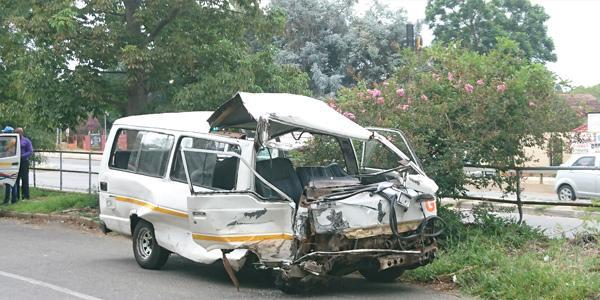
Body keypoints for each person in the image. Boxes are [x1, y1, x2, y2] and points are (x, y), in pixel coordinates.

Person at [15, 128, 33, 200]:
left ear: (21, 133)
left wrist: (22, 156)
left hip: (24, 162)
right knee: (16, 179)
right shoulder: (13, 140)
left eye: (17, 133)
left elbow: (30, 151)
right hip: (15, 162)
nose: (16, 134)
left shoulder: (26, 141)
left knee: (25, 179)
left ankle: (25, 196)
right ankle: (16, 196)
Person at [2, 126, 18, 205]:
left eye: (5, 132)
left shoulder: (12, 140)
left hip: (11, 162)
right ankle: (8, 200)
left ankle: (12, 200)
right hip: (8, 162)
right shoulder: (11, 140)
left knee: (11, 182)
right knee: (8, 182)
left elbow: (6, 148)